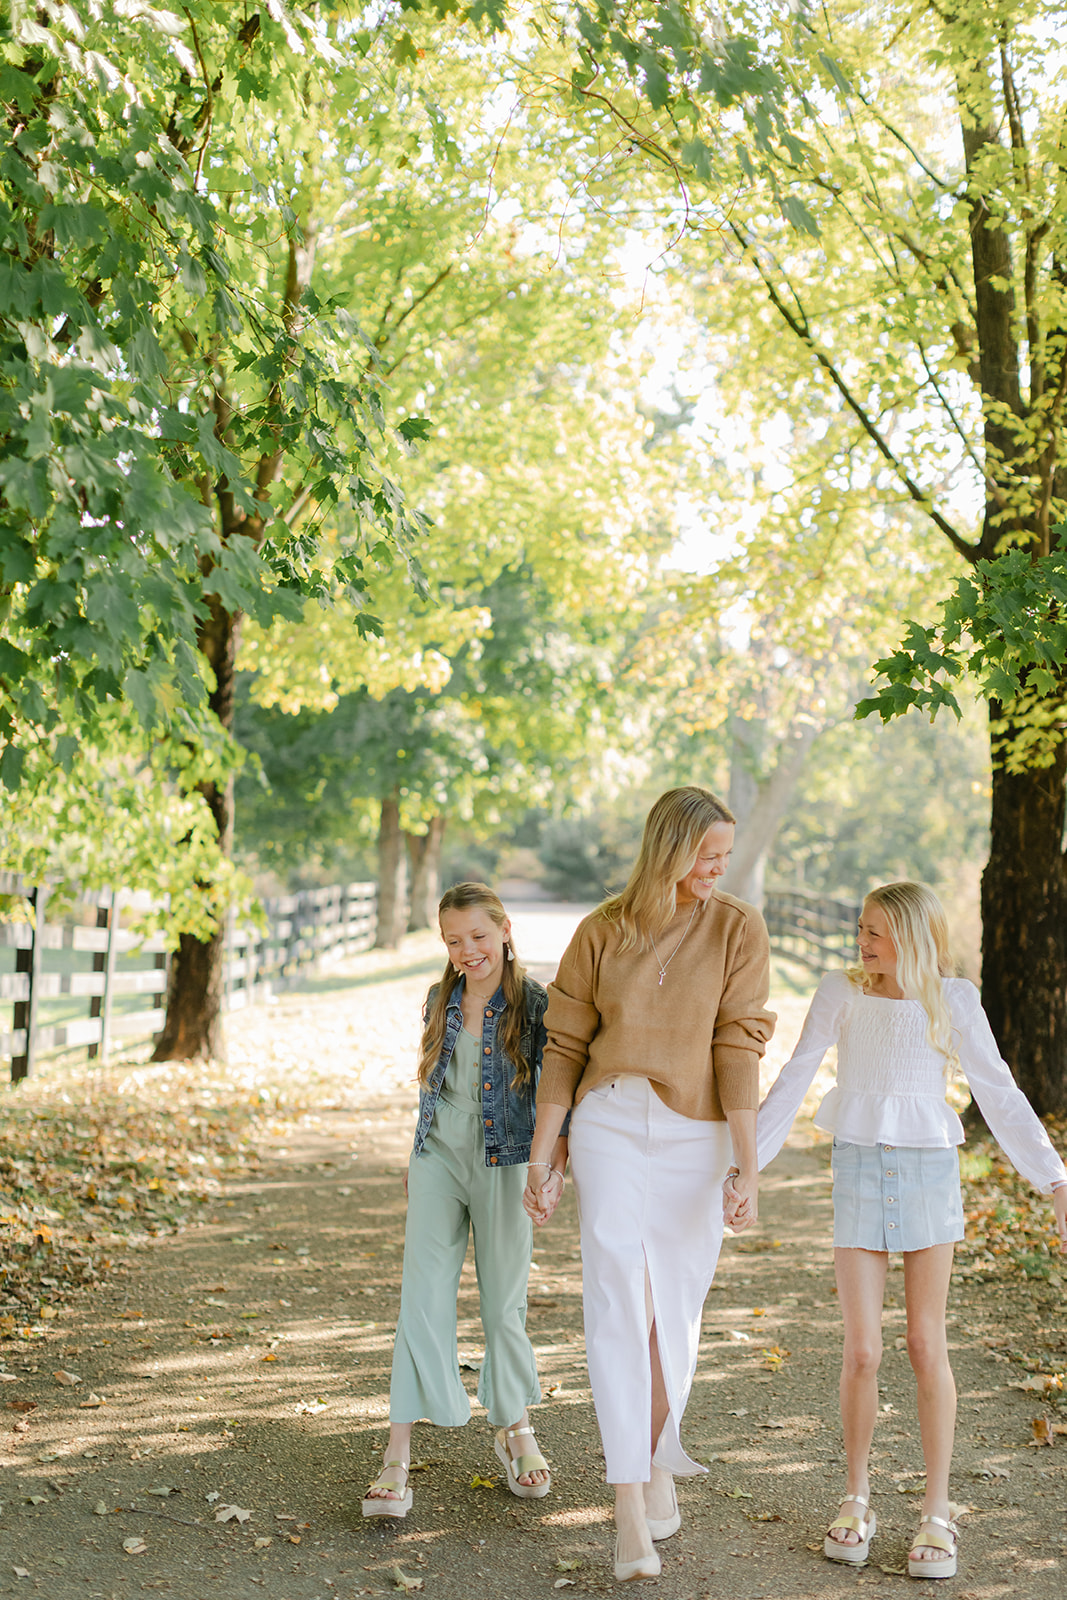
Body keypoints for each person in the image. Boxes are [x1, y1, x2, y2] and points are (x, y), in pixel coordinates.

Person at [743, 881, 1067, 1580]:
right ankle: (855, 1498)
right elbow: (795, 1077)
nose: (861, 942)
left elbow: (997, 1089)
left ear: (913, 938)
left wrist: (1055, 1179)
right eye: (860, 928)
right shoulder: (840, 992)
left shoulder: (952, 1001)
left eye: (876, 932)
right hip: (858, 1169)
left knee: (925, 1343)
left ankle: (936, 1511)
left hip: (928, 1175)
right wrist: (746, 1165)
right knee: (860, 1350)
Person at [523, 786, 775, 1581]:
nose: (716, 870)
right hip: (606, 1122)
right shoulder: (601, 930)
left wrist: (746, 1163)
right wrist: (544, 1153)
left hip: (696, 1133)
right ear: (667, 850)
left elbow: (737, 1047)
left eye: (724, 858)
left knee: (677, 1311)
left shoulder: (737, 928)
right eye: (705, 856)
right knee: (614, 1302)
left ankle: (659, 1452)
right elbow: (562, 1046)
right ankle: (627, 1508)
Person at [363, 882, 568, 1519]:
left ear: (504, 930)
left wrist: (550, 1168)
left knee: (503, 1300)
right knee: (420, 1296)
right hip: (438, 1158)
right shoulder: (439, 997)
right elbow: (431, 1080)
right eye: (453, 940)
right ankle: (397, 1454)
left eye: (477, 936)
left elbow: (559, 1096)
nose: (466, 951)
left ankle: (515, 1428)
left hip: (505, 1162)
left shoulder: (537, 1005)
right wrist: (415, 1151)